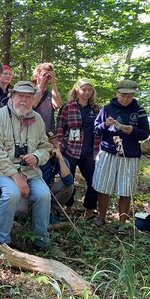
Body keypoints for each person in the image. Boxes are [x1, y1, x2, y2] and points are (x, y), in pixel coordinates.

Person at [0, 81, 52, 250]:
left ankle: (41, 241)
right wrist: (15, 176)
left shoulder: (37, 119)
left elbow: (45, 146)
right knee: (11, 194)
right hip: (3, 169)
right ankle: (3, 242)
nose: (24, 100)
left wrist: (36, 157)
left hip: (30, 170)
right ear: (12, 96)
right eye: (21, 95)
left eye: (29, 97)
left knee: (44, 195)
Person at [92, 79, 150, 231]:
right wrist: (105, 124)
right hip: (108, 151)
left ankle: (122, 223)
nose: (125, 99)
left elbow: (145, 133)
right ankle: (102, 217)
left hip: (130, 155)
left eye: (129, 96)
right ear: (117, 93)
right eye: (123, 95)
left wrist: (133, 131)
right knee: (103, 186)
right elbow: (96, 129)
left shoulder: (139, 111)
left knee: (126, 189)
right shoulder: (107, 108)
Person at [56, 78, 100, 218]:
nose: (86, 92)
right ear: (77, 90)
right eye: (83, 89)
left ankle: (89, 209)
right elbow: (59, 128)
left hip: (89, 152)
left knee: (94, 181)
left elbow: (99, 129)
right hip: (71, 150)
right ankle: (68, 207)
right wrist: (61, 146)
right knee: (69, 180)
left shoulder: (95, 109)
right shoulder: (68, 107)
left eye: (89, 89)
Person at [40, 133, 75, 217]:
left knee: (69, 188)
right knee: (21, 210)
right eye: (51, 142)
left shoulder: (57, 158)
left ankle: (52, 209)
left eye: (56, 141)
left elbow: (69, 182)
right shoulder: (35, 156)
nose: (56, 144)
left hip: (48, 187)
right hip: (33, 188)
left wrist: (60, 159)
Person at [31, 62, 62, 134]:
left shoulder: (50, 94)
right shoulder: (29, 91)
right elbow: (33, 104)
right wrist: (40, 85)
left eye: (48, 76)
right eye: (44, 75)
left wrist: (53, 83)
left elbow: (58, 105)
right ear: (37, 75)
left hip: (47, 133)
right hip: (32, 132)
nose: (46, 78)